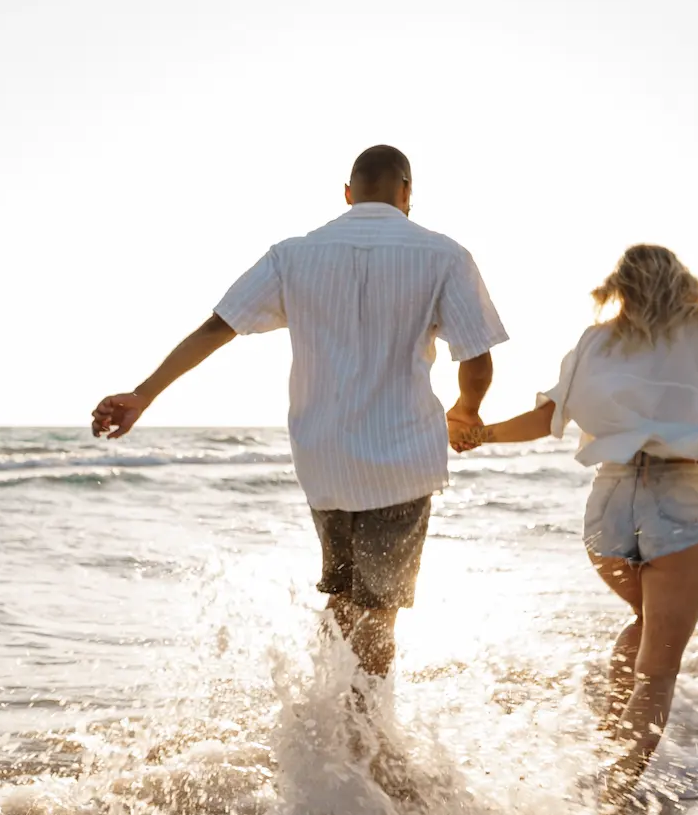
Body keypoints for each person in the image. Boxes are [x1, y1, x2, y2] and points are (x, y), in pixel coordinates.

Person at [91, 145, 507, 683]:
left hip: (324, 461)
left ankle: (327, 722)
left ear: (348, 193)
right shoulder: (444, 255)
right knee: (378, 610)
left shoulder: (293, 254)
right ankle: (365, 740)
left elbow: (218, 328)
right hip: (403, 458)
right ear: (407, 194)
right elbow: (476, 357)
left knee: (341, 595)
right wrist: (466, 410)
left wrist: (144, 393)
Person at [458, 244, 698, 815]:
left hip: (608, 504)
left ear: (621, 287)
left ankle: (604, 757)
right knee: (658, 668)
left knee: (643, 625)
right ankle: (611, 805)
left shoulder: (598, 342)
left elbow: (550, 418)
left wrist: (483, 435)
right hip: (681, 499)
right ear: (684, 284)